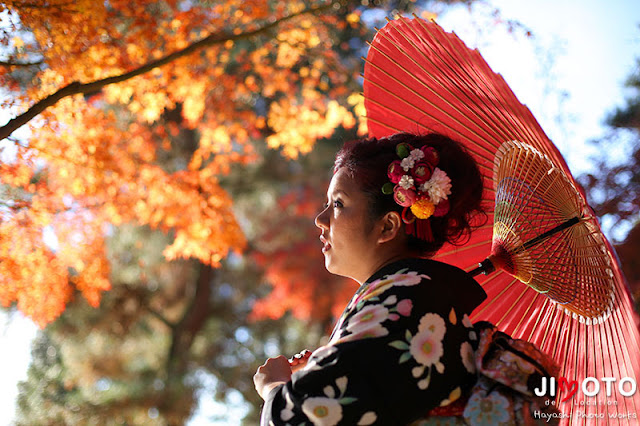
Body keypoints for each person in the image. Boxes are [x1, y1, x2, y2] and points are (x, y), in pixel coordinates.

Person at [254, 132, 490, 425]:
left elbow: (298, 420)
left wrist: (275, 388)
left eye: (338, 204)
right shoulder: (414, 300)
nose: (320, 218)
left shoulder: (405, 303)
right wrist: (323, 370)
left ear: (387, 226)